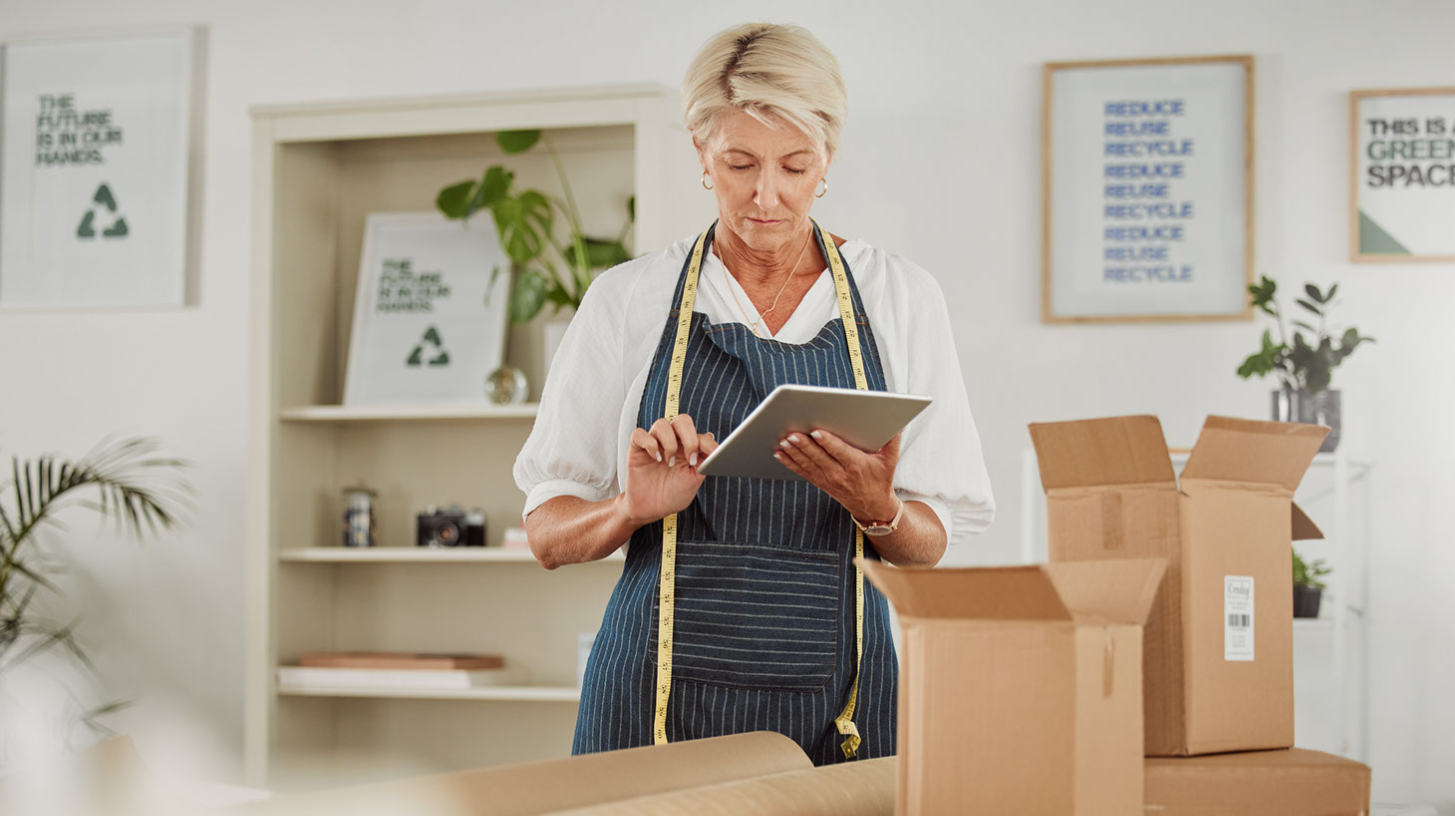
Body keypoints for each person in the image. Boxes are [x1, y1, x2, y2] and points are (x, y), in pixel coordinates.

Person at [513, 21, 994, 766]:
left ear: (828, 159)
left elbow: (930, 542)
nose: (765, 196)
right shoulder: (628, 299)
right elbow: (547, 533)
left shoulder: (900, 298)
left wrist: (879, 509)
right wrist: (630, 509)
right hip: (655, 704)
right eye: (739, 163)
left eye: (794, 166)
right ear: (701, 155)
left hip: (842, 708)